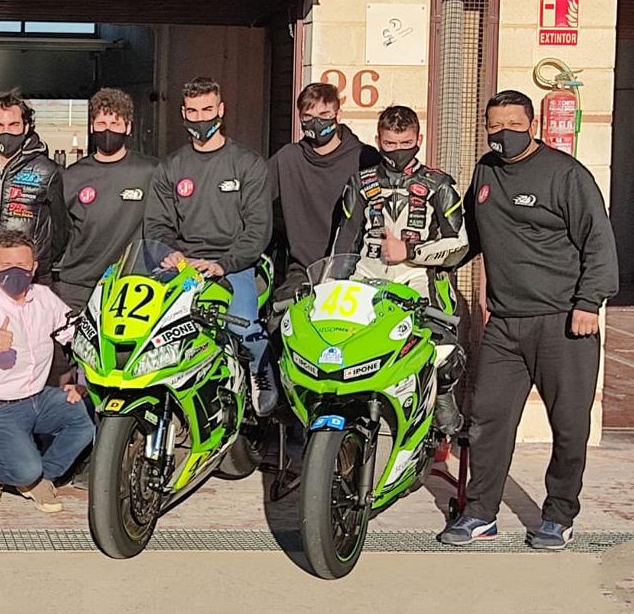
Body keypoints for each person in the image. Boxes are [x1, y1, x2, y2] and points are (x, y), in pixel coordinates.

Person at [438, 90, 619, 550]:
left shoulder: (566, 175)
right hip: (505, 323)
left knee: (570, 426)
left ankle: (558, 515)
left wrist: (587, 303)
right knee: (486, 422)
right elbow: (469, 238)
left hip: (563, 323)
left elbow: (598, 242)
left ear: (532, 125)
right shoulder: (485, 171)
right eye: (494, 126)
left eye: (512, 124)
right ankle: (479, 513)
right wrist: (425, 262)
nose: (503, 134)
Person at [332, 105, 469, 434]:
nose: (396, 152)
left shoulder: (440, 184)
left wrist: (409, 251)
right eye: (389, 144)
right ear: (378, 140)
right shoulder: (359, 183)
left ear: (419, 139)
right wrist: (332, 287)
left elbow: (460, 245)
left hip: (419, 282)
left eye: (404, 143)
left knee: (444, 352)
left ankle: (442, 397)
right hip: (366, 281)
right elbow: (344, 243)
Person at [143, 77, 276, 415]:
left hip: (235, 267)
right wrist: (170, 253)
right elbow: (156, 223)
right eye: (193, 111)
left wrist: (225, 264)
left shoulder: (248, 163)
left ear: (221, 110)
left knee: (242, 326)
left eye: (207, 109)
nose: (200, 118)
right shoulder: (170, 167)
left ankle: (263, 374)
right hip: (183, 265)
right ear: (183, 114)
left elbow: (259, 228)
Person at [0, 230, 92, 512]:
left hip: (37, 398)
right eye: (6, 266)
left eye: (22, 265)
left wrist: (81, 379)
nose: (15, 272)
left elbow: (75, 337)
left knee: (83, 422)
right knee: (24, 470)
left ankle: (42, 478)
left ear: (34, 266)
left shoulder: (45, 298)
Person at [268, 82, 380, 297]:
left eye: (324, 114)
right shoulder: (288, 158)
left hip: (358, 270)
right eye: (308, 117)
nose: (316, 123)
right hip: (303, 272)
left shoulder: (365, 158)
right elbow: (253, 201)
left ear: (338, 113)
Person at [57, 87, 158, 312]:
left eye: (115, 124)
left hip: (130, 284)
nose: (108, 130)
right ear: (92, 126)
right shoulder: (72, 175)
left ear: (128, 127)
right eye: (102, 124)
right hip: (78, 286)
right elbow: (59, 230)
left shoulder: (150, 172)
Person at [0, 90, 68, 297]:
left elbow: (60, 230)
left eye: (13, 125)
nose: (6, 132)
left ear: (26, 127)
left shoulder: (47, 170)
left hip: (27, 285)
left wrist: (37, 264)